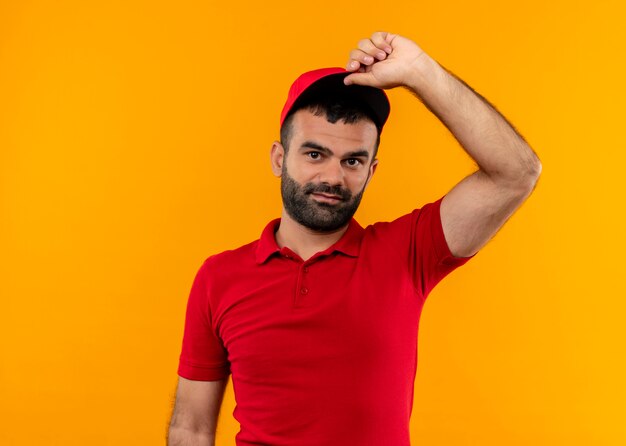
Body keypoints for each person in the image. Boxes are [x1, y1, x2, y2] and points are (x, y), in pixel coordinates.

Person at [166, 31, 542, 446]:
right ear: (279, 158)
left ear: (371, 170)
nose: (333, 177)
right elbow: (191, 427)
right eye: (315, 154)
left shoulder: (408, 252)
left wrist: (420, 71)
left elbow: (515, 172)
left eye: (353, 161)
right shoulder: (218, 277)